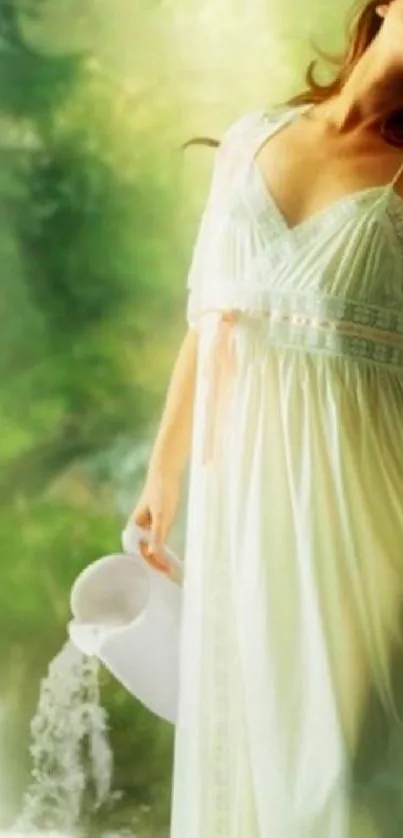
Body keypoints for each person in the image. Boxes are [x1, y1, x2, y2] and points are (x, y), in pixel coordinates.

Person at [129, 0, 403, 834]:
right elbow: (208, 320)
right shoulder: (253, 138)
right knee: (246, 751)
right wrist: (161, 476)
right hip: (240, 505)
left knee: (346, 777)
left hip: (365, 513)